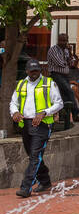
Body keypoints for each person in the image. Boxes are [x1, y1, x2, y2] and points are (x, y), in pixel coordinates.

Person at [9, 57, 62, 197]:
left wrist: (44, 113)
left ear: (40, 70)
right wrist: (14, 112)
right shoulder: (21, 84)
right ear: (27, 71)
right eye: (32, 71)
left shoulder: (49, 83)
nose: (34, 73)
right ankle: (45, 181)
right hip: (25, 124)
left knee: (34, 156)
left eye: (37, 71)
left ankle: (25, 187)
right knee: (34, 155)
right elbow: (13, 102)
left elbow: (59, 103)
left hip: (43, 124)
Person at [46, 32, 79, 130]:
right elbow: (61, 63)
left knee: (64, 96)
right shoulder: (53, 50)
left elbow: (72, 63)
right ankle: (77, 114)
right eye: (62, 40)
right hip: (56, 75)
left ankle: (64, 117)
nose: (63, 42)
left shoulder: (66, 50)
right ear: (58, 40)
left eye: (65, 40)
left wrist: (70, 53)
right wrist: (69, 60)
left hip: (65, 75)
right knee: (70, 91)